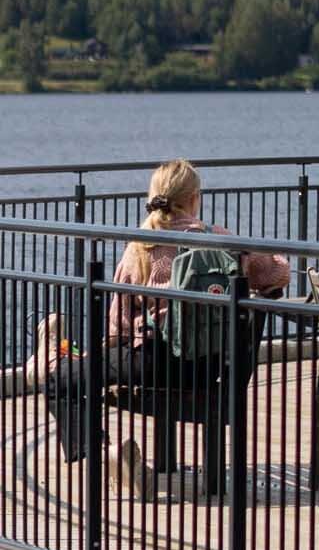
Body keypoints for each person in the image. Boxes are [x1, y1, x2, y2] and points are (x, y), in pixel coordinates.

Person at [48, 159, 288, 497]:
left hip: (152, 365)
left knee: (60, 379)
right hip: (210, 368)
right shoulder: (219, 240)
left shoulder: (141, 247)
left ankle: (104, 456)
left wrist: (99, 353)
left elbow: (118, 324)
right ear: (193, 198)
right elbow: (278, 273)